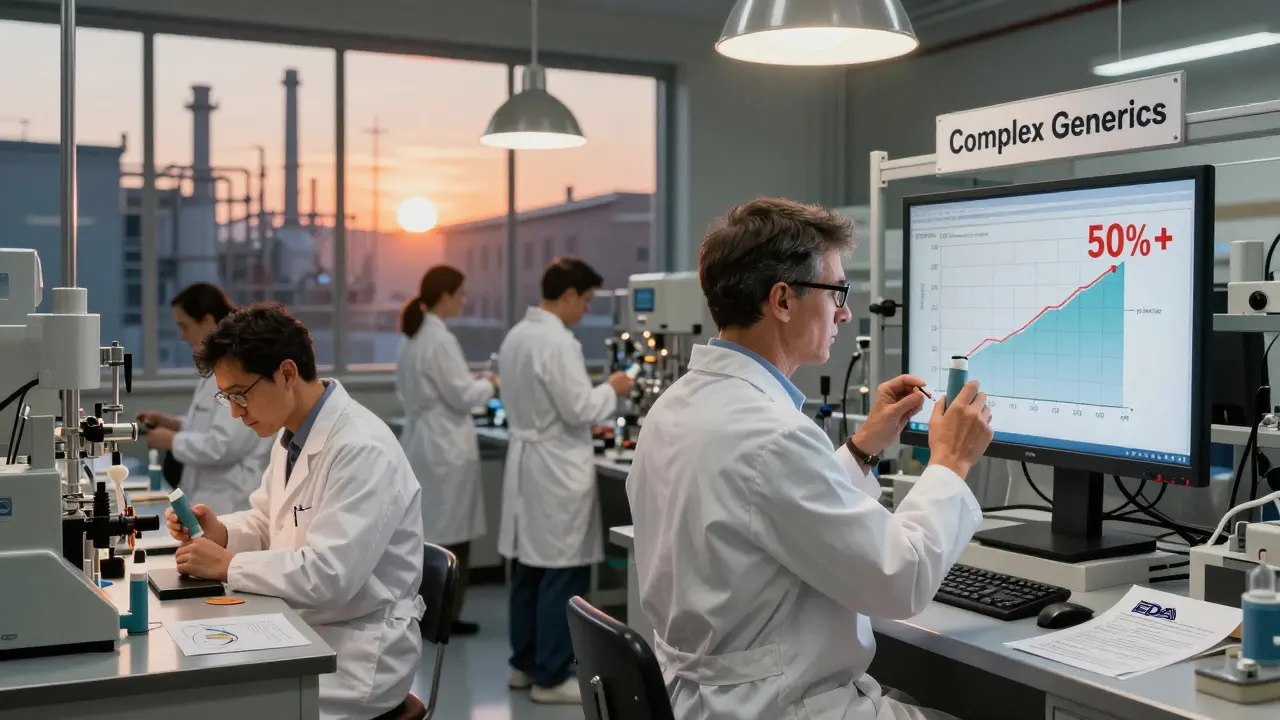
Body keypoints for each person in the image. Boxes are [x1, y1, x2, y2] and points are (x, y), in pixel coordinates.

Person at [626, 198, 995, 720]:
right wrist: (951, 460)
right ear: (782, 300)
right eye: (837, 292)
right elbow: (902, 579)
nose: (845, 311)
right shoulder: (772, 434)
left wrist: (862, 449)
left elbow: (765, 512)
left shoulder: (678, 406)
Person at [164, 302, 425, 720]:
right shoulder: (291, 435)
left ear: (286, 373)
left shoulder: (361, 448)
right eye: (226, 397)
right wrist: (222, 533)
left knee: (211, 702)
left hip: (354, 656)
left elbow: (330, 576)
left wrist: (228, 565)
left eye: (239, 395)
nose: (234, 412)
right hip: (306, 628)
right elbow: (270, 522)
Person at [497, 257, 634, 704]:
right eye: (587, 300)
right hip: (554, 466)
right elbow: (580, 409)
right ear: (570, 294)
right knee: (560, 573)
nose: (586, 310)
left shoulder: (519, 334)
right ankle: (551, 676)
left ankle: (524, 665)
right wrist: (613, 387)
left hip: (530, 464)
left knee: (528, 572)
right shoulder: (557, 341)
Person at [395, 265, 498, 637]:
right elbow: (463, 396)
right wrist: (489, 384)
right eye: (461, 294)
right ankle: (443, 618)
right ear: (444, 296)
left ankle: (433, 614)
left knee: (430, 535)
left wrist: (472, 385)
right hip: (445, 448)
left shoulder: (412, 336)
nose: (464, 300)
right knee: (453, 539)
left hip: (423, 444)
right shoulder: (440, 340)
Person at [137, 283, 272, 515]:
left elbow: (225, 444)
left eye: (184, 326)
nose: (181, 336)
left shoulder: (238, 372)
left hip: (230, 501)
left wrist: (173, 441)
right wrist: (173, 424)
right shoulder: (215, 369)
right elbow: (206, 426)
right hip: (207, 497)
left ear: (207, 322)